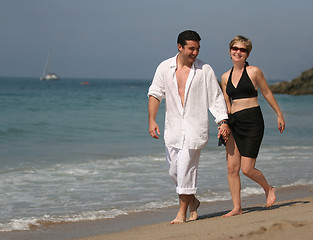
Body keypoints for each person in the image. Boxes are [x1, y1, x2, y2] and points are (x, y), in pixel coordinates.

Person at [148, 30, 230, 224]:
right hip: (173, 130)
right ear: (180, 47)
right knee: (174, 173)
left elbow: (216, 98)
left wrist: (223, 121)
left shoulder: (205, 70)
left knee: (186, 171)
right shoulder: (164, 68)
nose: (195, 53)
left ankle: (181, 213)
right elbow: (155, 94)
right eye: (191, 49)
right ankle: (193, 201)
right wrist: (152, 120)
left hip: (194, 130)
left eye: (198, 49)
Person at [220, 35, 285, 217]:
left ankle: (268, 188)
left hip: (252, 121)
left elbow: (267, 93)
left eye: (243, 50)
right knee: (232, 168)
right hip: (233, 122)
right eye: (235, 48)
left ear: (248, 53)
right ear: (230, 50)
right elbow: (225, 102)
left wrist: (279, 114)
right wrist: (224, 123)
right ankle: (237, 208)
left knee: (247, 168)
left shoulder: (254, 72)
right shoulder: (225, 77)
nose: (238, 52)